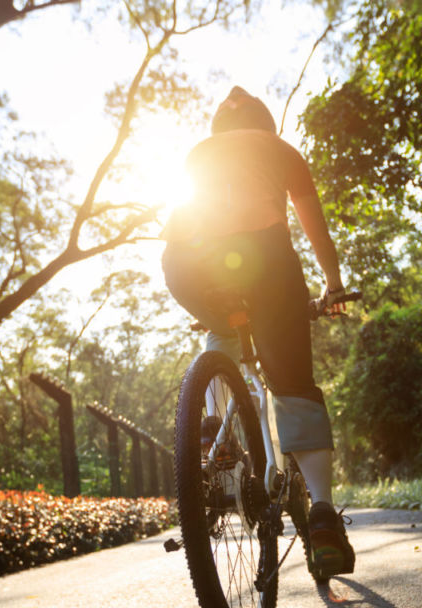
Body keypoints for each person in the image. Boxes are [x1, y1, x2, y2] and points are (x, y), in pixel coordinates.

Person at [161, 86, 354, 579]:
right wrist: (332, 287)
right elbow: (315, 230)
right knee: (291, 382)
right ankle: (325, 516)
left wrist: (208, 299)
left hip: (186, 263)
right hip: (265, 259)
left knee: (221, 328)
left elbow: (187, 221)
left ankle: (214, 429)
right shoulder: (282, 150)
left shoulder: (197, 154)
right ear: (264, 123)